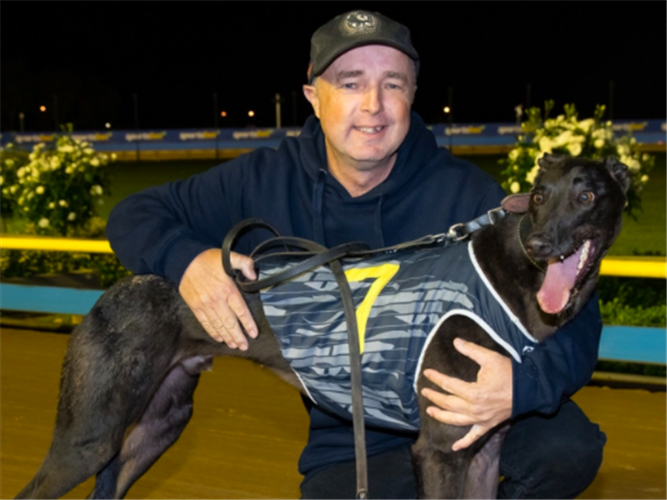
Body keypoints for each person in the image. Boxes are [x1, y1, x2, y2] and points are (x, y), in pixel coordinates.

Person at [106, 10, 606, 500]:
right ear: (313, 98)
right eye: (349, 83)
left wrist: (523, 387)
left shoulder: (467, 195)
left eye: (392, 84)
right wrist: (187, 258)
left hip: (468, 408)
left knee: (566, 449)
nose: (373, 105)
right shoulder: (261, 179)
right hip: (351, 439)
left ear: (412, 95)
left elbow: (578, 318)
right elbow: (132, 214)